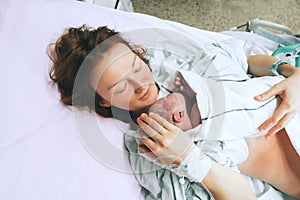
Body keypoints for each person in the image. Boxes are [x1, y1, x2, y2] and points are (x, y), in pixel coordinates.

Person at [48, 25, 300, 199]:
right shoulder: (151, 149)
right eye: (121, 86)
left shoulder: (174, 62)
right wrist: (190, 159)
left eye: (136, 67)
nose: (141, 85)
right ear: (103, 101)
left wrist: (290, 73)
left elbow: (247, 61)